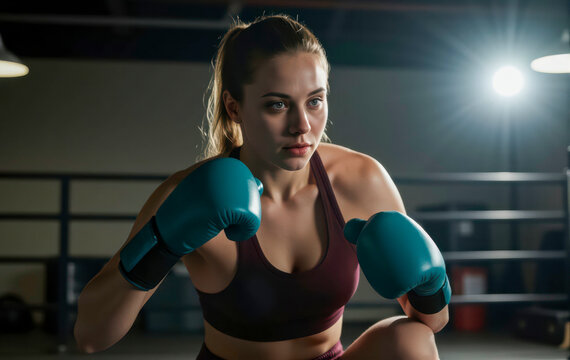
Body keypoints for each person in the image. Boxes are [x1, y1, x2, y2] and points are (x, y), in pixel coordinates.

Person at [74, 14, 450, 360]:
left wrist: (430, 289)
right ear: (234, 108)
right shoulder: (192, 194)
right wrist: (161, 240)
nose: (302, 125)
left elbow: (431, 323)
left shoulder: (360, 180)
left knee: (411, 340)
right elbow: (91, 336)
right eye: (277, 105)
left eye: (315, 101)